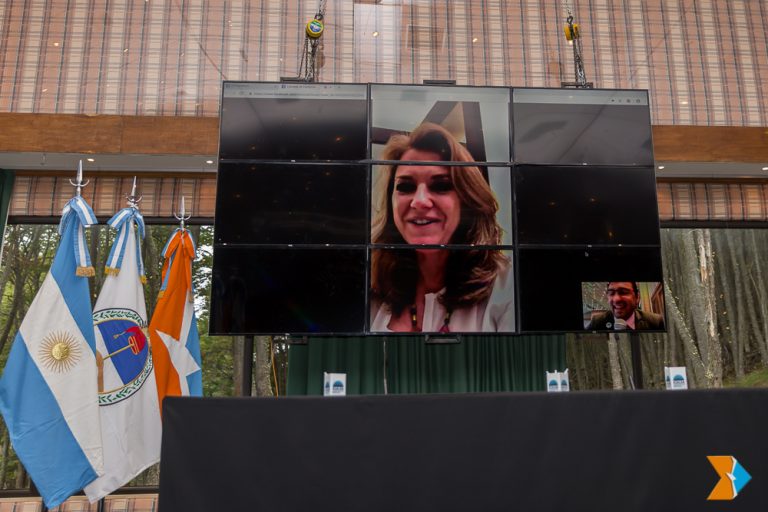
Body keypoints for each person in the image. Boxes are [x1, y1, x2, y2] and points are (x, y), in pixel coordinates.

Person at [369, 123, 514, 332]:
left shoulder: (507, 287)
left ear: (467, 201)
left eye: (441, 186)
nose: (419, 201)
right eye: (405, 186)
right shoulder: (372, 285)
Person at [586, 281, 665, 331]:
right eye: (611, 293)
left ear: (637, 297)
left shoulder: (656, 322)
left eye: (623, 292)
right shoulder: (597, 322)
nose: (616, 299)